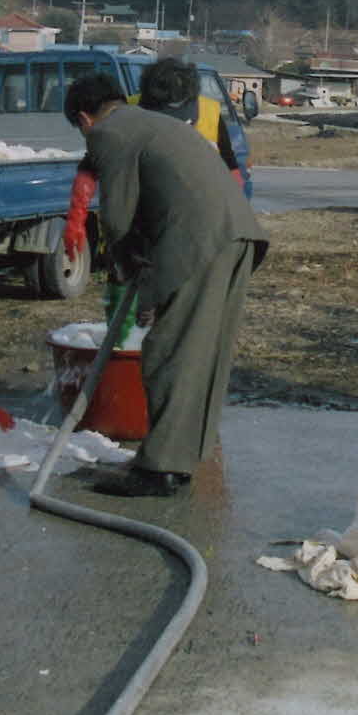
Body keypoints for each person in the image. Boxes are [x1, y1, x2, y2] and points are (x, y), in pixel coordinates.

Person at [61, 71, 268, 497]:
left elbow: (117, 218)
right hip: (238, 235)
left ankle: (159, 471)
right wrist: (146, 271)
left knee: (168, 352)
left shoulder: (109, 133)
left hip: (201, 240)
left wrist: (124, 268)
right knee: (201, 355)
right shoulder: (149, 123)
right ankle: (180, 458)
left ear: (85, 118)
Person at [61, 56, 244, 269]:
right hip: (163, 224)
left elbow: (231, 168)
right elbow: (92, 163)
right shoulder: (129, 107)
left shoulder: (132, 108)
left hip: (187, 226)